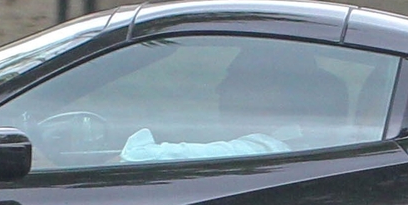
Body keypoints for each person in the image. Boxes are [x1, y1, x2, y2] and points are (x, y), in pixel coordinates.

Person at [120, 42, 351, 163]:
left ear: (279, 92)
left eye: (237, 79)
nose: (220, 88)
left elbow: (139, 156)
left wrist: (114, 159)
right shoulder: (306, 149)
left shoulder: (264, 151)